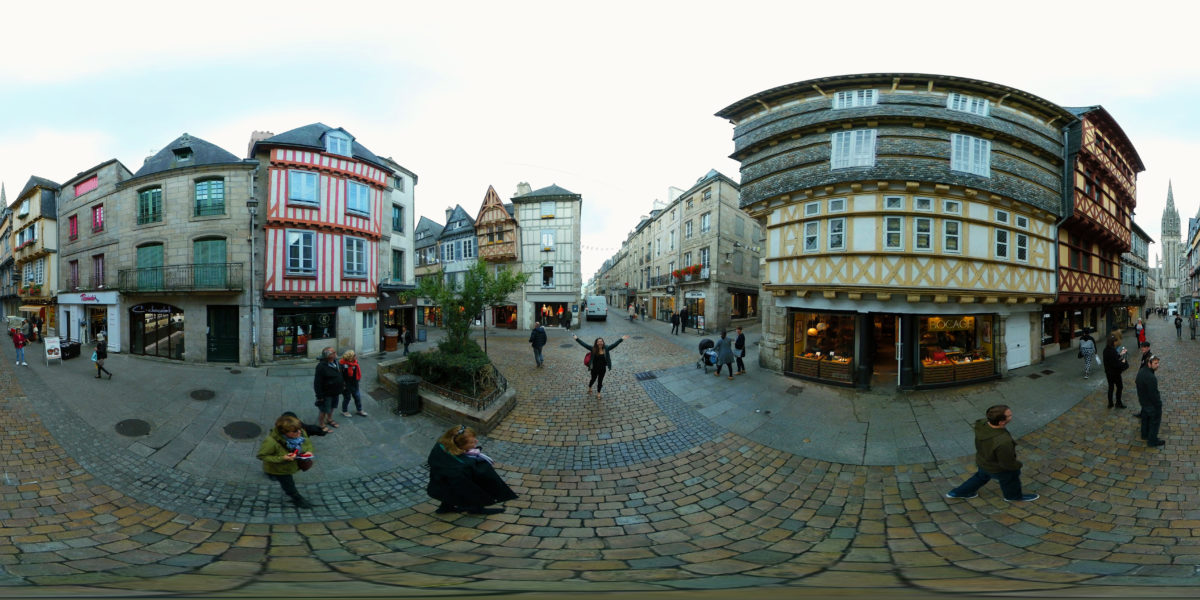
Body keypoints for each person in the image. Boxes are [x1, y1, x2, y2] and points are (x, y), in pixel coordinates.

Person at [945, 405, 1038, 502]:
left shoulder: (982, 424)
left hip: (983, 461)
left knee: (980, 477)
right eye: (1009, 415)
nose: (1012, 416)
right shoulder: (1003, 442)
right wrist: (1017, 466)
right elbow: (1007, 463)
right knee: (1011, 479)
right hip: (997, 468)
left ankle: (958, 492)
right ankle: (1012, 496)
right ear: (1001, 422)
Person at [426, 425, 517, 515]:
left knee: (449, 490)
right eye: (472, 443)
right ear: (460, 446)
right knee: (473, 488)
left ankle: (445, 507)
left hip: (442, 481)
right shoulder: (462, 466)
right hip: (451, 481)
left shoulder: (442, 445)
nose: (476, 442)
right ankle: (476, 509)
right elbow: (470, 487)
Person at [256, 414, 315, 508]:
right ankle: (297, 498)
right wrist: (282, 458)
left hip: (291, 465)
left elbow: (307, 442)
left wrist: (308, 451)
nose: (299, 433)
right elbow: (262, 456)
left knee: (287, 481)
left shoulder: (300, 431)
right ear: (284, 432)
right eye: (295, 432)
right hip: (280, 469)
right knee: (288, 483)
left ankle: (271, 475)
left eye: (300, 429)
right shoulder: (271, 442)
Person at [573, 333, 628, 399]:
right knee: (593, 379)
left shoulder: (606, 348)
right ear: (596, 343)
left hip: (602, 369)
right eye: (598, 341)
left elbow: (614, 344)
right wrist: (577, 339)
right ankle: (590, 387)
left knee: (600, 381)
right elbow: (584, 344)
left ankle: (598, 393)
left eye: (601, 341)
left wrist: (621, 339)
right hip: (594, 369)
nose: (600, 343)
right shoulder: (593, 349)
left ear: (603, 342)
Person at [1136, 353, 1165, 447]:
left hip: (1143, 402)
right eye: (1155, 363)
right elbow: (1154, 394)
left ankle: (1144, 435)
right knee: (1154, 422)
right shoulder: (1151, 378)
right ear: (1149, 363)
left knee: (1145, 419)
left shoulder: (1141, 372)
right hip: (1151, 404)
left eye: (1158, 363)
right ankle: (1152, 441)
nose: (1158, 365)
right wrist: (1158, 404)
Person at [313, 347, 344, 430]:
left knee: (333, 406)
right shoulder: (321, 367)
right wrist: (319, 396)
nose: (335, 353)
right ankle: (321, 424)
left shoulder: (336, 362)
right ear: (328, 355)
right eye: (333, 352)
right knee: (324, 409)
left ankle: (329, 419)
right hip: (326, 393)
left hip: (336, 391)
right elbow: (317, 382)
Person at [1102, 334, 1129, 409]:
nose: (1115, 343)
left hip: (1108, 373)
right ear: (1112, 342)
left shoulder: (1105, 350)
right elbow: (1116, 364)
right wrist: (1123, 362)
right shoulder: (1112, 351)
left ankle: (1110, 403)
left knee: (1111, 387)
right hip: (1115, 373)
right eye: (1114, 341)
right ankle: (1118, 403)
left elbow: (1112, 359)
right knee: (1119, 387)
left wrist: (1121, 354)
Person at [339, 350, 367, 418]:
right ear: (350, 357)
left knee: (357, 397)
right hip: (346, 385)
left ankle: (359, 410)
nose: (356, 356)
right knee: (347, 398)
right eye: (354, 355)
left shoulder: (355, 362)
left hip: (354, 383)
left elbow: (357, 372)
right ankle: (344, 411)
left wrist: (357, 380)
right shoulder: (342, 364)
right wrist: (343, 385)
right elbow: (340, 376)